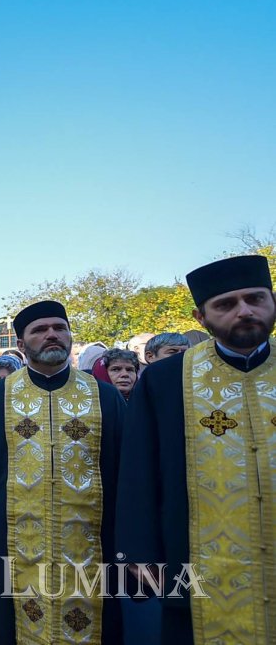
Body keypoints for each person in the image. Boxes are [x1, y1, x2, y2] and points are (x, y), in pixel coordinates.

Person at [117, 254, 276, 644]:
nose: (244, 311)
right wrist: (140, 555)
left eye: (255, 299)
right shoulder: (165, 380)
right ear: (200, 317)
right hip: (196, 561)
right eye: (225, 304)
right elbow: (139, 470)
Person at [0, 300, 125, 644]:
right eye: (40, 330)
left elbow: (125, 473)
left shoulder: (103, 395)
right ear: (21, 344)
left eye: (59, 328)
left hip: (93, 546)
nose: (52, 335)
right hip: (12, 544)